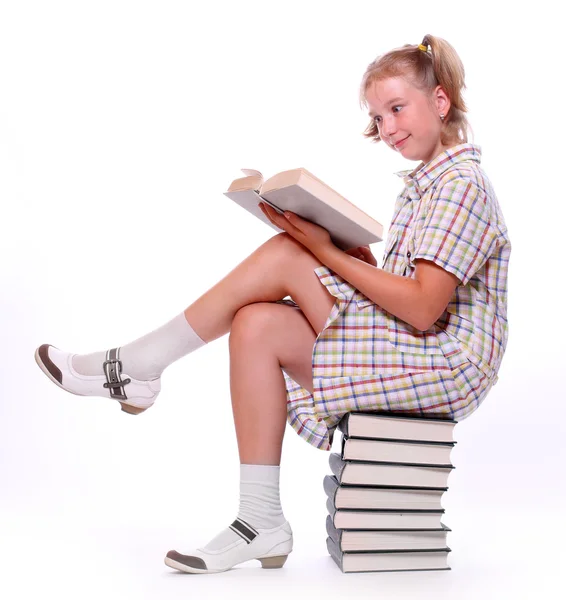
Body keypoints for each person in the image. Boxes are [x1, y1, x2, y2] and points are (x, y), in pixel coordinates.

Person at [34, 33, 511, 574]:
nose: (387, 128)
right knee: (257, 323)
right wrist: (347, 257)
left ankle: (139, 366)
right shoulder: (424, 189)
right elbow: (411, 300)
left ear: (440, 101)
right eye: (378, 117)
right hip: (416, 349)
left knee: (289, 252)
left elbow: (424, 310)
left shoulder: (461, 184)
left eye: (397, 108)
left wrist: (322, 252)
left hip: (446, 364)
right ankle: (261, 519)